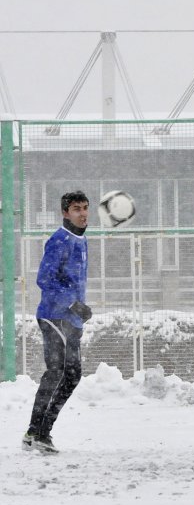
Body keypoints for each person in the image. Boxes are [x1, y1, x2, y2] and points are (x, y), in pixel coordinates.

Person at [22, 191, 93, 454]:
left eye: (85, 208)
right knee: (61, 372)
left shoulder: (81, 239)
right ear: (65, 213)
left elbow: (71, 280)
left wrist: (80, 308)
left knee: (70, 375)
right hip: (54, 316)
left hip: (70, 318)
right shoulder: (59, 240)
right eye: (76, 209)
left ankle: (34, 432)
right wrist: (71, 303)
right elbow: (45, 278)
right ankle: (41, 433)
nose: (83, 213)